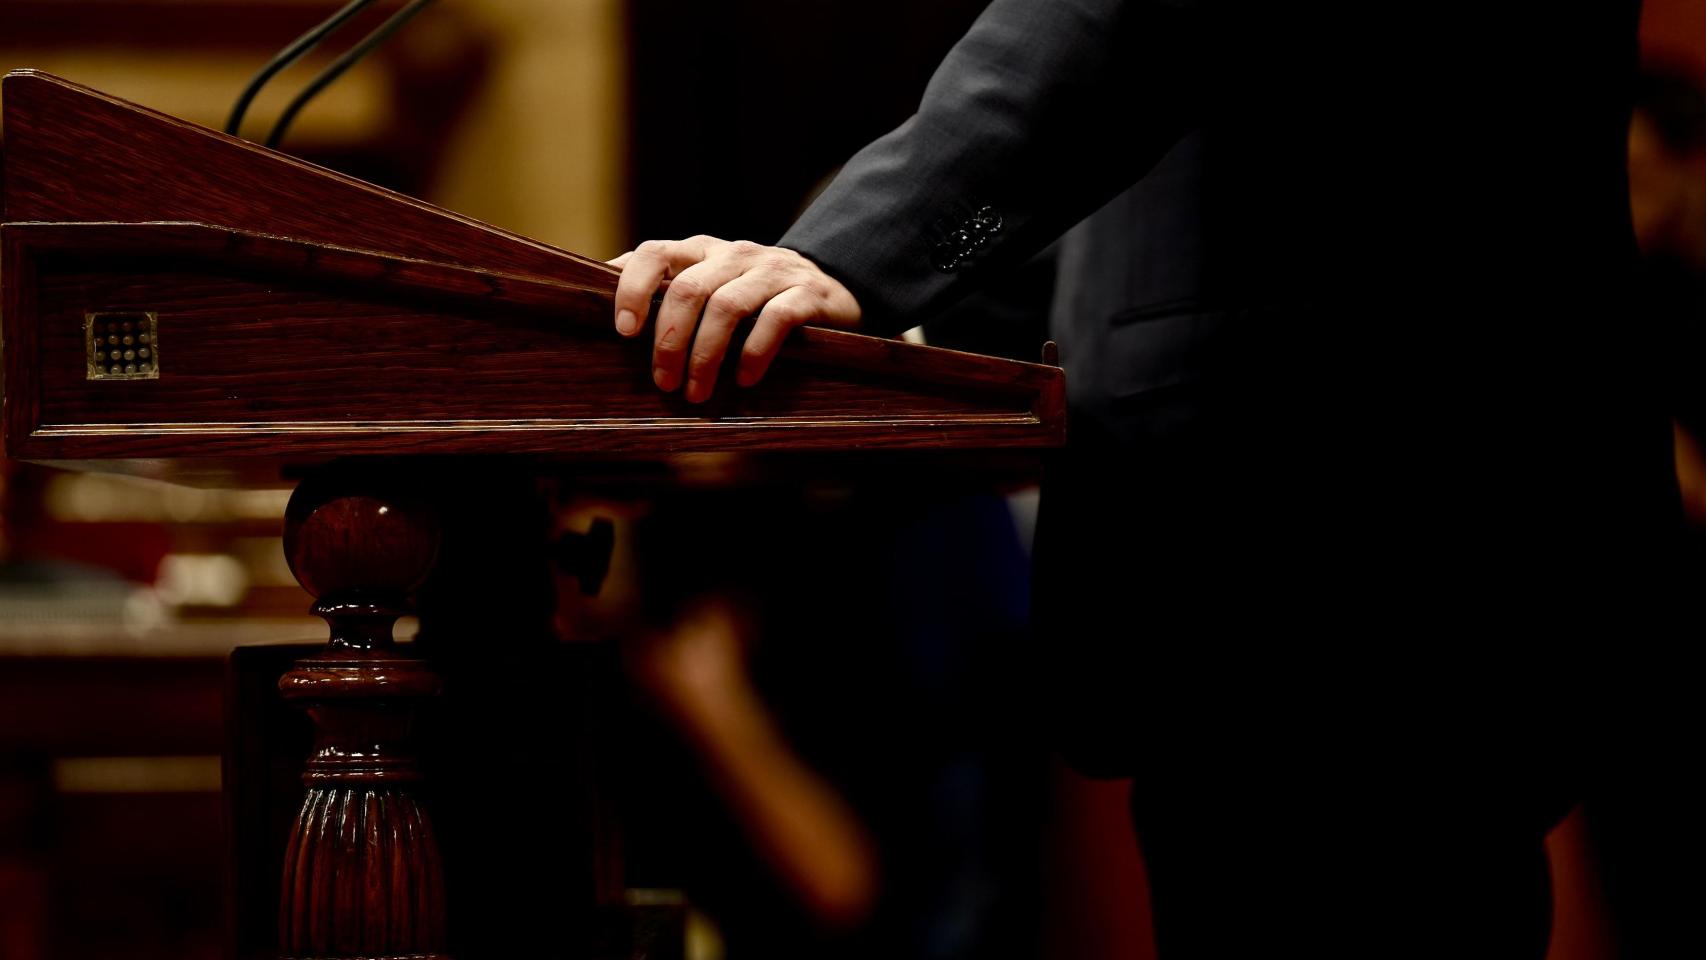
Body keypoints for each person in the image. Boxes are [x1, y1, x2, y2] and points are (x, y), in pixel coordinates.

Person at [611, 2, 1683, 956]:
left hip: (1359, 541)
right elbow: (1186, 158)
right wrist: (897, 336)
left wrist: (853, 257)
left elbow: (1124, 30)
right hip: (1288, 542)